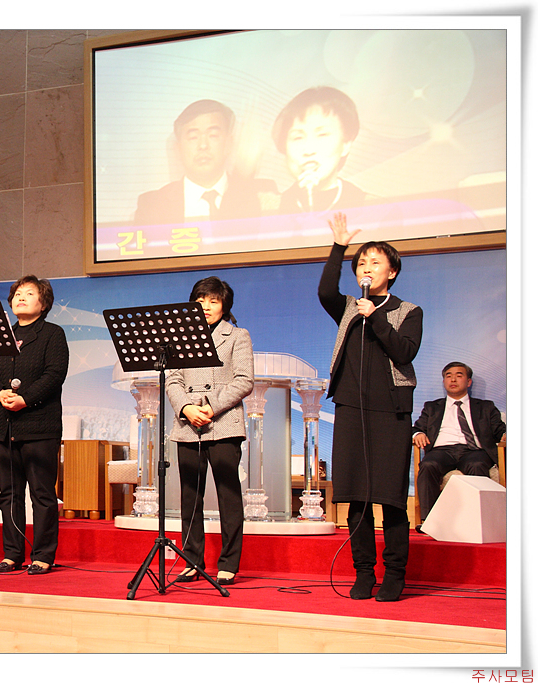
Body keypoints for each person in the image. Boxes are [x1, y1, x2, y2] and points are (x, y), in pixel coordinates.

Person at [319, 212, 422, 602]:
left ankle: (395, 574)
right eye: (362, 262)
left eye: (375, 262)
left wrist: (375, 317)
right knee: (357, 498)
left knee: (391, 498)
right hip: (350, 409)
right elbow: (325, 292)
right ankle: (364, 572)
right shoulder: (349, 306)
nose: (366, 267)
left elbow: (404, 351)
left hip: (391, 413)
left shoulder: (408, 311)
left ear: (391, 272)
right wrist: (339, 247)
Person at [164, 276, 254, 586]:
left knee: (228, 494)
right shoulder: (181, 337)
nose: (206, 306)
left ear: (224, 305)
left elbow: (244, 380)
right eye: (200, 300)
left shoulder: (238, 335)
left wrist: (210, 407)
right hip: (188, 424)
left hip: (223, 423)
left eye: (213, 301)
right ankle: (192, 560)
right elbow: (173, 379)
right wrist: (186, 409)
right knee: (190, 495)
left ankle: (229, 563)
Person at [0, 276, 69, 575]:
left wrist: (25, 399)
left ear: (43, 304)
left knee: (42, 493)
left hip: (39, 425)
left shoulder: (52, 334)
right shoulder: (2, 335)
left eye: (29, 293)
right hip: (4, 425)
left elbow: (54, 374)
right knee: (9, 493)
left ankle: (43, 555)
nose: (21, 297)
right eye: (17, 293)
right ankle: (12, 553)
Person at [134, 99, 266, 226]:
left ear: (229, 144)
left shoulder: (260, 197)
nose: (203, 145)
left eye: (213, 135)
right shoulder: (152, 206)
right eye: (193, 137)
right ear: (178, 149)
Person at [413, 362, 506, 518]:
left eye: (459, 375)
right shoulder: (432, 407)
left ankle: (478, 519)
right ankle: (428, 521)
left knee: (477, 465)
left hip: (474, 451)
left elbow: (499, 430)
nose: (453, 380)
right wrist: (418, 434)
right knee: (428, 465)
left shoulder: (485, 407)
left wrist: (505, 434)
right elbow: (417, 428)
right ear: (444, 382)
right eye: (448, 376)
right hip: (442, 451)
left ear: (468, 382)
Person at [273, 86, 367, 214]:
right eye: (298, 137)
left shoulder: (373, 209)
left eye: (322, 135)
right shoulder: (269, 209)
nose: (308, 150)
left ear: (345, 145)